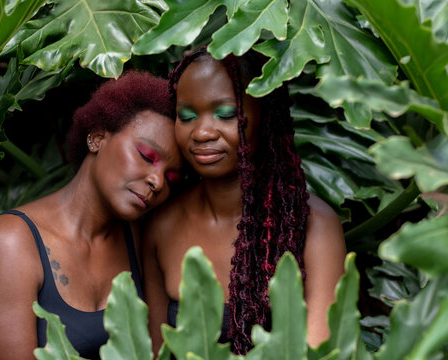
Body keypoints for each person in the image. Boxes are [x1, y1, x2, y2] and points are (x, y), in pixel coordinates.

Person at [0, 71, 182, 360]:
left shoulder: (139, 238)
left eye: (171, 178)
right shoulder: (9, 245)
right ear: (97, 138)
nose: (158, 181)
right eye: (146, 155)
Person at [142, 48, 347, 355]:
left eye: (225, 114)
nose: (202, 132)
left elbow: (320, 352)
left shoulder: (313, 226)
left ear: (264, 116)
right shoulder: (162, 226)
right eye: (187, 116)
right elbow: (154, 352)